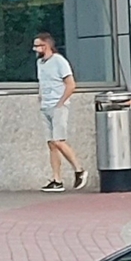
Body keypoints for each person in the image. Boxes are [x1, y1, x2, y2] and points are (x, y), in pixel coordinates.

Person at [34, 29, 80, 190]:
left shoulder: (59, 61)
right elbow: (43, 82)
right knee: (51, 144)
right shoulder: (40, 63)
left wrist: (61, 102)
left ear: (46, 46)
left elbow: (71, 84)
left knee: (58, 140)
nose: (35, 49)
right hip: (46, 105)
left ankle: (79, 169)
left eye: (37, 46)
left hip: (57, 105)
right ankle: (56, 179)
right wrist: (40, 98)